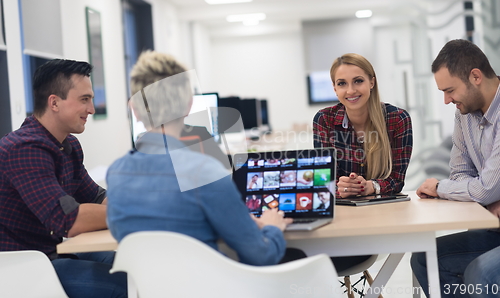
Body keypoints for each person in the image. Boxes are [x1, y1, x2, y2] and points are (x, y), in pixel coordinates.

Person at [106, 51, 297, 266]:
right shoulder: (205, 172)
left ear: (134, 109)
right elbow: (261, 256)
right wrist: (272, 226)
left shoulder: (115, 173)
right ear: (189, 105)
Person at [0, 59, 127, 298]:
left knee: (131, 262)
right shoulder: (23, 149)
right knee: (123, 285)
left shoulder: (68, 146)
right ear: (54, 103)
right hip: (20, 268)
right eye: (84, 99)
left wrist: (130, 203)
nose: (91, 109)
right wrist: (134, 211)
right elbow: (68, 220)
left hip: (51, 252)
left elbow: (97, 197)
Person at [411, 39, 500, 298]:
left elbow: (484, 189)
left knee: (480, 273)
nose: (447, 100)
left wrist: (440, 188)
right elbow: (460, 174)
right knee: (425, 259)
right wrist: (488, 196)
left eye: (449, 90)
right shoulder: (464, 114)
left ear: (475, 76)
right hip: (493, 225)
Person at [313, 53, 413, 272]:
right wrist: (340, 188)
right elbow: (322, 183)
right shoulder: (324, 119)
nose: (350, 91)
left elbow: (397, 180)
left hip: (379, 223)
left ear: (371, 82)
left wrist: (370, 186)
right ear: (334, 88)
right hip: (337, 226)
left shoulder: (397, 119)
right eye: (342, 84)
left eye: (358, 81)